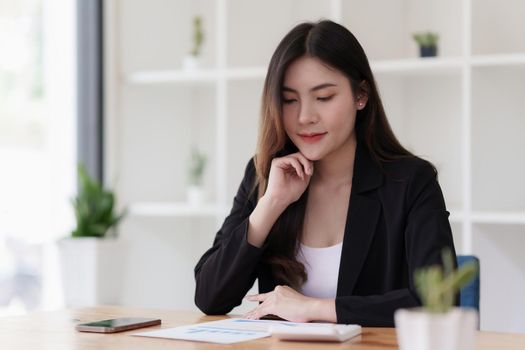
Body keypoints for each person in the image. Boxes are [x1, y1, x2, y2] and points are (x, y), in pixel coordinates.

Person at [194, 19, 456, 327]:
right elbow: (210, 298)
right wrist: (271, 204)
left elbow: (437, 300)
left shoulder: (411, 182)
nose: (305, 117)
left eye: (324, 97)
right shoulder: (264, 175)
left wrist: (315, 309)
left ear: (361, 96)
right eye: (290, 100)